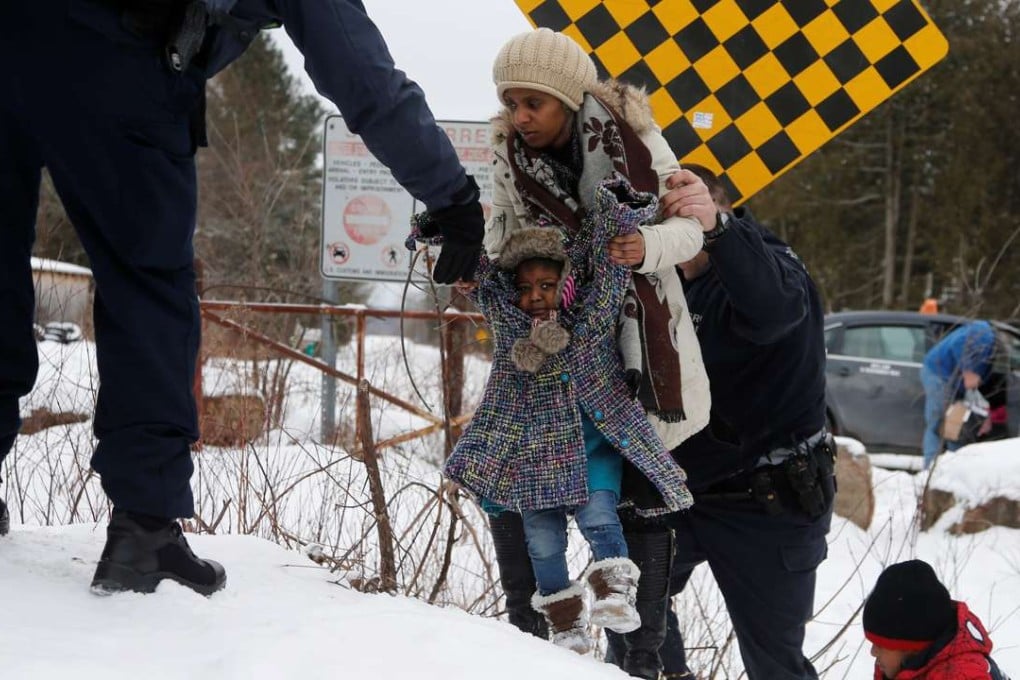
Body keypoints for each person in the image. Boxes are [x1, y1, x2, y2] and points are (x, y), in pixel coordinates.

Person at [0, 1, 484, 595]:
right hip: (116, 61)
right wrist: (452, 195)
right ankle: (144, 529)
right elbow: (358, 70)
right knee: (146, 281)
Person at [473, 27, 715, 667]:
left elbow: (690, 226)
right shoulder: (506, 154)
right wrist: (493, 265)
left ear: (569, 99)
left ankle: (641, 660)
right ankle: (543, 637)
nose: (520, 117)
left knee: (633, 507)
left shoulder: (632, 138)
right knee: (521, 492)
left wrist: (646, 248)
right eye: (511, 102)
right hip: (546, 352)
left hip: (636, 350)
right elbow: (502, 234)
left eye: (535, 103)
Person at [445, 176, 695, 654]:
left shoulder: (588, 321)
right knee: (541, 542)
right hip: (533, 462)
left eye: (546, 284)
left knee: (600, 517)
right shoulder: (510, 326)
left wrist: (618, 217)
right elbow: (483, 283)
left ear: (566, 283)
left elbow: (608, 275)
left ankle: (614, 593)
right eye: (525, 287)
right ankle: (565, 623)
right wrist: (448, 235)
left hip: (590, 452)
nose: (535, 295)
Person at [607, 164, 835, 680]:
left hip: (767, 501)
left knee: (775, 664)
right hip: (676, 492)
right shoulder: (657, 282)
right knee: (629, 629)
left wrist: (718, 232)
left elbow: (773, 309)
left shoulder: (770, 266)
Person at [863, 559, 1010, 680]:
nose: (873, 652)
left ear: (911, 647)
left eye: (880, 645)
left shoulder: (960, 675)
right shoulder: (901, 665)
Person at [920, 321, 998, 469]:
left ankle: (954, 468)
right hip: (939, 375)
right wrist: (968, 370)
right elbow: (958, 342)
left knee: (955, 425)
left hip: (955, 383)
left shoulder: (986, 336)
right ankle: (929, 471)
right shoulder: (985, 336)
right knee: (937, 424)